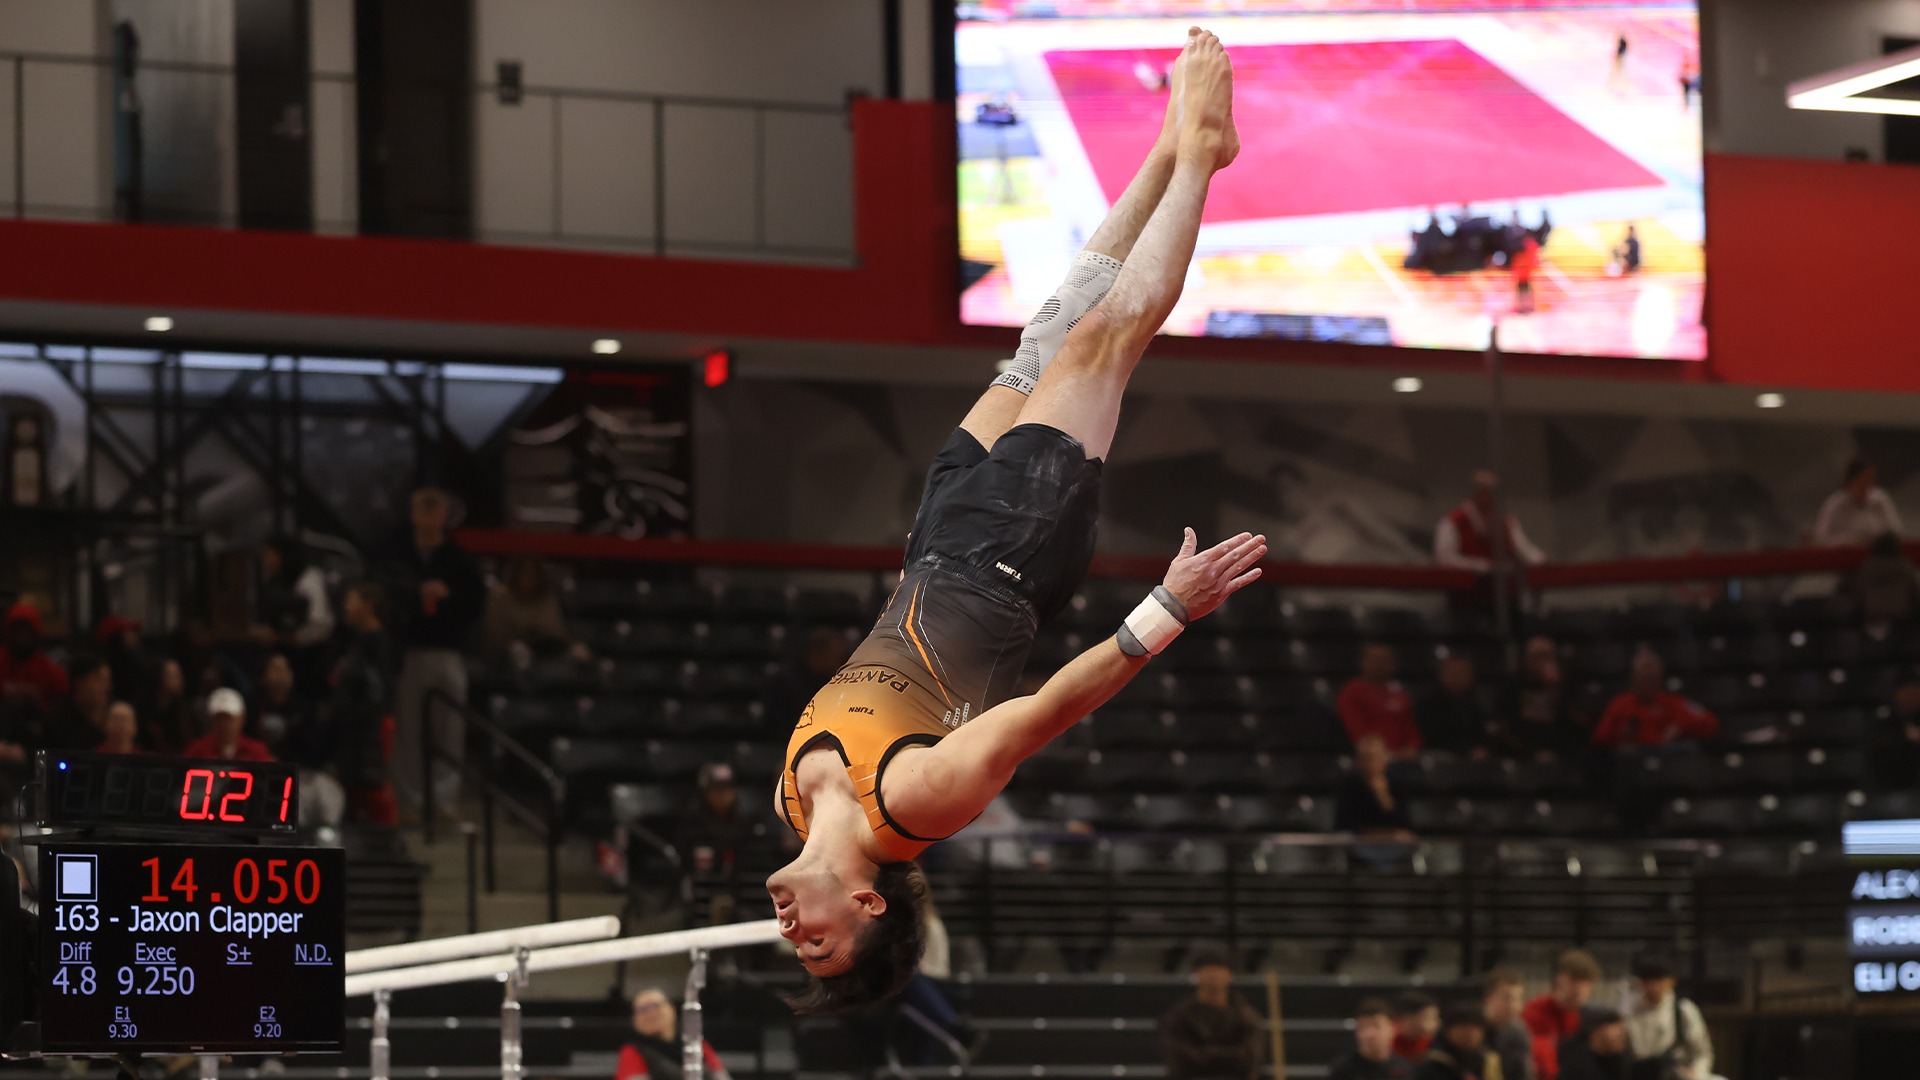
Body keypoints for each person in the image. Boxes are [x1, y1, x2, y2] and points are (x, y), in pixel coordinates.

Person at [767, 27, 1255, 1014]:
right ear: (867, 904)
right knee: (1101, 342)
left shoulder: (789, 801)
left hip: (938, 538)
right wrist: (1165, 608)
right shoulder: (913, 807)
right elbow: (1045, 715)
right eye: (819, 948)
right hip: (1012, 557)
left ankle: (1167, 146)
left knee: (1042, 337)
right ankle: (1201, 147)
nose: (793, 936)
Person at [385, 487, 485, 822]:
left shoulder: (458, 559)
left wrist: (449, 596)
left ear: (443, 516)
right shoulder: (398, 554)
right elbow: (385, 597)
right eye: (423, 511)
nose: (429, 518)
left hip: (447, 651)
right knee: (409, 727)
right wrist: (415, 595)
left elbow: (475, 605)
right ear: (414, 514)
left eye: (435, 511)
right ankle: (409, 799)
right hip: (410, 652)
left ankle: (443, 800)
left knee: (449, 727)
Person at [331, 582, 399, 824]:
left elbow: (378, 690)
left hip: (373, 724)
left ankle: (386, 834)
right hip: (353, 724)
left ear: (368, 606)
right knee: (352, 786)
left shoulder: (378, 642)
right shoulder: (354, 640)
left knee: (374, 783)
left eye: (352, 600)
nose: (346, 606)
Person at [1161, 949, 1264, 1080]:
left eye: (1218, 970)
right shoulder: (1178, 1018)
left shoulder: (1247, 1017)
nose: (1213, 976)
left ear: (1229, 974)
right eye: (1208, 970)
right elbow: (1180, 1061)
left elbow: (1250, 1059)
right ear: (1196, 975)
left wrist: (1208, 1054)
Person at [250, 534, 335, 689]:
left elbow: (321, 624)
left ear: (280, 555)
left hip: (311, 660)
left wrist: (283, 638)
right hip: (288, 658)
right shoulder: (276, 581)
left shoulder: (308, 579)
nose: (265, 560)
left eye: (269, 554)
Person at [1591, 651, 1717, 749]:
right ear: (1633, 679)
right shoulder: (1620, 704)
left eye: (1651, 679)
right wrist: (1620, 735)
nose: (1647, 684)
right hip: (1633, 763)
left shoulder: (1673, 702)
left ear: (1660, 679)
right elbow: (1600, 738)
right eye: (1643, 679)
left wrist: (1680, 727)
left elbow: (1709, 721)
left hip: (1665, 759)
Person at [1435, 472, 1546, 581]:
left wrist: (1540, 560)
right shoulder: (1453, 522)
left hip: (1504, 590)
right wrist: (1483, 566)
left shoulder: (1506, 521)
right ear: (1474, 493)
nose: (1491, 497)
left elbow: (1523, 550)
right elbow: (1446, 559)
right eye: (1485, 491)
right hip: (1465, 592)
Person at [1620, 953, 1713, 1080]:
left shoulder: (1683, 1010)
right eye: (1647, 981)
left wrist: (1696, 1074)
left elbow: (1702, 1052)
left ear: (1671, 981)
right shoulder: (1628, 1011)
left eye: (1659, 980)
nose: (1653, 987)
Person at [483, 553, 588, 665]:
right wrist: (514, 645)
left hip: (545, 654)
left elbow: (557, 635)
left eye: (532, 573)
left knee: (579, 653)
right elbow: (494, 638)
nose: (527, 578)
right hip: (503, 657)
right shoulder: (499, 596)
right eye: (523, 572)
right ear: (515, 573)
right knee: (518, 652)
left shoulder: (547, 599)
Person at [1499, 637, 1589, 762]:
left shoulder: (1566, 685)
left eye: (1547, 656)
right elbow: (1503, 725)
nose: (1542, 661)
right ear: (1527, 660)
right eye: (1537, 656)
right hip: (1522, 754)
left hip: (1561, 754)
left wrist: (1555, 690)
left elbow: (1580, 722)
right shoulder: (1514, 686)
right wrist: (1530, 753)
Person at [615, 988, 731, 1080]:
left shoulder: (696, 1044)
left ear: (671, 1010)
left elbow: (720, 1076)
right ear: (634, 1020)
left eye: (656, 1006)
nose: (651, 1013)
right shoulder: (631, 1052)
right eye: (642, 1009)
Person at [1523, 949, 1601, 1080]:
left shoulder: (1581, 1017)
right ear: (1560, 980)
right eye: (1575, 981)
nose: (1581, 990)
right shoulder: (1535, 1013)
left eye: (1586, 984)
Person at [1338, 644, 1421, 759]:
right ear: (1363, 662)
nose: (1379, 665)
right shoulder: (1352, 691)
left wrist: (1411, 749)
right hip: (1370, 759)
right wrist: (1382, 754)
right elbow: (1357, 732)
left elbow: (1410, 729)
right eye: (1375, 660)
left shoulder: (1398, 693)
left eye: (1384, 661)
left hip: (1403, 758)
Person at [1419, 654, 1498, 759]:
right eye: (1454, 673)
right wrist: (1467, 752)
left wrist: (1482, 748)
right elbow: (1434, 738)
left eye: (1464, 673)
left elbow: (1484, 730)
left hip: (1472, 758)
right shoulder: (1428, 703)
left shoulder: (1474, 701)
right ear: (1442, 675)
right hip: (1441, 757)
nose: (1458, 677)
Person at [1335, 735, 1414, 840]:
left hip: (1391, 845)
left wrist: (1383, 797)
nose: (1368, 764)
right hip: (1357, 843)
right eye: (1364, 758)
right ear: (1357, 760)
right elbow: (1343, 824)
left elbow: (1404, 825)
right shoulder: (1349, 783)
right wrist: (1380, 834)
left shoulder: (1397, 782)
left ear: (1385, 758)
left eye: (1373, 757)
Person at [1814, 457, 1902, 548]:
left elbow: (1896, 530)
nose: (1868, 486)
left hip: (1877, 554)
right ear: (1851, 481)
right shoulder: (1834, 503)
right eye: (1863, 481)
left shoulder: (1880, 498)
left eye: (1870, 481)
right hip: (1844, 555)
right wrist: (1848, 542)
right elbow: (1820, 538)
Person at [0, 601, 68, 713]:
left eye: (27, 632)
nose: (22, 637)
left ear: (36, 634)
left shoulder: (52, 672)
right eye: (17, 631)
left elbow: (63, 710)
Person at [182, 688, 275, 762]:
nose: (224, 724)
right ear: (211, 720)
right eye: (219, 718)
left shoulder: (257, 751)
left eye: (229, 718)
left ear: (242, 718)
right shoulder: (196, 750)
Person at [1331, 998, 1413, 1080]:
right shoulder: (1343, 1069)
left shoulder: (1404, 1070)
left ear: (1392, 1028)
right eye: (1363, 1027)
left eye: (1376, 1026)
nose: (1369, 1034)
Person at [46, 655, 113, 751]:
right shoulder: (58, 722)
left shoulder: (114, 717)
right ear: (80, 682)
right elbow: (42, 762)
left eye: (108, 681)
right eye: (100, 680)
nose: (107, 687)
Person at [1414, 1002, 1492, 1080]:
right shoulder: (1434, 1063)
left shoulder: (1486, 1060)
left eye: (1476, 1027)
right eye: (1463, 1027)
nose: (1470, 1033)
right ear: (1448, 1030)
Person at [1483, 969, 1535, 1080]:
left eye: (1518, 999)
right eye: (1506, 998)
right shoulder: (1472, 1029)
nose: (1514, 1006)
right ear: (1489, 998)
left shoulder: (1518, 1032)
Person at [1555, 1009, 1629, 1080]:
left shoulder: (1619, 1063)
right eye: (1618, 1029)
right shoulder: (1573, 1061)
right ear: (1598, 1029)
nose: (1622, 1035)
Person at [142, 657, 196, 754]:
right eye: (172, 675)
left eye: (179, 675)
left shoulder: (186, 712)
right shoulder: (143, 708)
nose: (179, 680)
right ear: (159, 678)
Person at [1393, 992, 1440, 1061]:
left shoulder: (1431, 1042)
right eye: (1429, 1018)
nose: (1437, 1024)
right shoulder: (1389, 1038)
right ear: (1408, 1017)